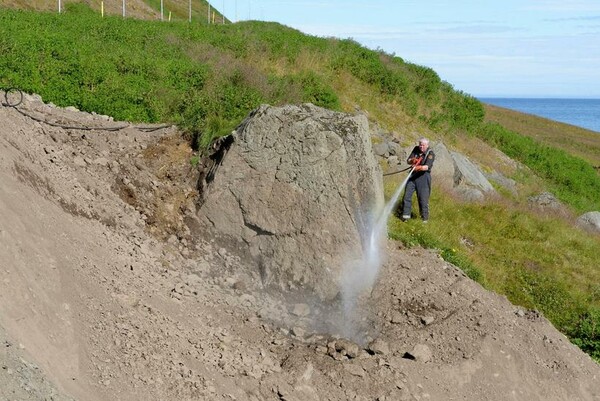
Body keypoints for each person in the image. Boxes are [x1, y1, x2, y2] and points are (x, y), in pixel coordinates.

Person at [400, 138, 435, 222]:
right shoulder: (416, 149)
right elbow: (408, 160)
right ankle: (406, 216)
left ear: (427, 145)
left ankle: (424, 219)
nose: (421, 147)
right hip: (413, 176)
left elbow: (427, 166)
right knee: (406, 196)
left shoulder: (430, 153)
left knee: (423, 199)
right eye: (420, 144)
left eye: (423, 145)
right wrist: (412, 160)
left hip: (423, 177)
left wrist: (418, 167)